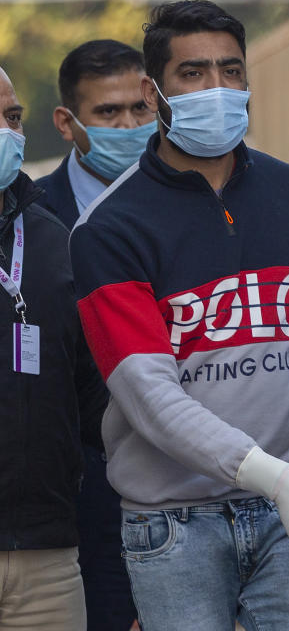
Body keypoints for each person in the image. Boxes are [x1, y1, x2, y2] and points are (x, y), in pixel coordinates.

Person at [68, 1, 289, 630]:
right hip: (175, 525)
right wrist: (279, 478)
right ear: (155, 92)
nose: (218, 89)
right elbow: (150, 398)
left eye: (231, 71)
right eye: (194, 73)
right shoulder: (110, 230)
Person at [36, 39, 152, 631]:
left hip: (181, 478)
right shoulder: (32, 218)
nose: (129, 126)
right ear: (68, 121)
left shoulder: (191, 205)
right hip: (73, 494)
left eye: (141, 109)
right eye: (108, 113)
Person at [0, 66, 108, 630]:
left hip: (48, 559)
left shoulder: (52, 239)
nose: (7, 132)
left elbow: (93, 401)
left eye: (12, 117)